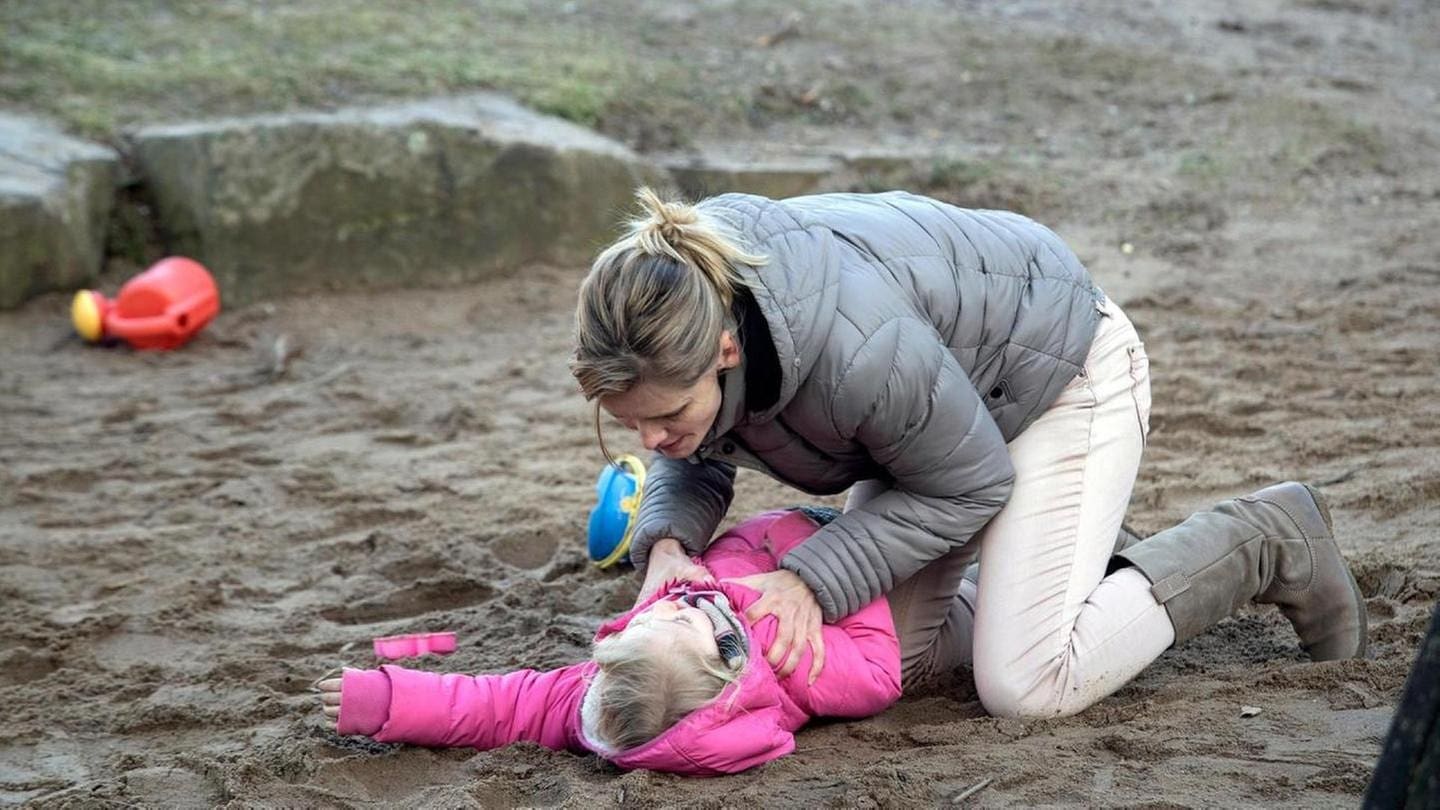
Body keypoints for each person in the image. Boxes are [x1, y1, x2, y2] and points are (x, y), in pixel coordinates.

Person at [569, 187, 1367, 719]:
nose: (649, 442)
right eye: (631, 423)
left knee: (1026, 683)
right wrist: (669, 544)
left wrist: (810, 575)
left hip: (1059, 370)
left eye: (664, 415)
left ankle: (1267, 538)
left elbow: (970, 483)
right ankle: (1060, 560)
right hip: (935, 427)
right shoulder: (684, 296)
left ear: (724, 350)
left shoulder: (854, 350)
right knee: (888, 661)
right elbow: (698, 441)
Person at [318, 508, 901, 775]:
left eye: (644, 619)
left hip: (761, 540)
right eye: (683, 615)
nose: (674, 599)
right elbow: (880, 671)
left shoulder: (609, 695)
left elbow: (493, 706)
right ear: (730, 661)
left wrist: (384, 701)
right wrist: (812, 553)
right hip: (832, 543)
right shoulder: (793, 658)